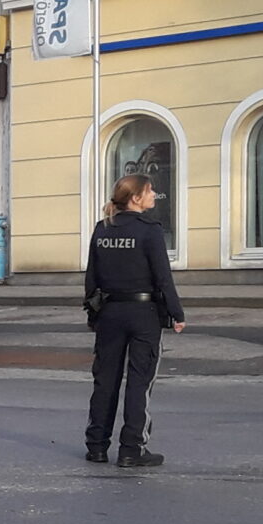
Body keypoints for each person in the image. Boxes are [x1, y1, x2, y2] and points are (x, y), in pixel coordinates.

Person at [85, 173, 186, 468]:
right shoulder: (149, 230)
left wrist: (93, 314)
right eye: (150, 190)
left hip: (109, 313)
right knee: (139, 382)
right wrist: (176, 313)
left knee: (105, 380)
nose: (154, 194)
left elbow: (91, 277)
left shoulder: (102, 229)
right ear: (136, 198)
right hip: (144, 314)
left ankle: (96, 446)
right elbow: (162, 277)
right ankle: (132, 449)